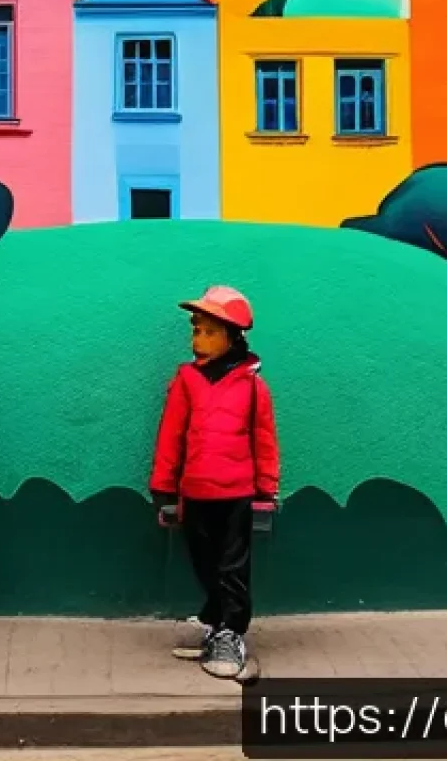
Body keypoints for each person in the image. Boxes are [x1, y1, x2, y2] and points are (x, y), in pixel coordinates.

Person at [149, 285, 280, 680]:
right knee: (204, 562)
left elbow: (264, 439)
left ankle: (231, 632)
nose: (198, 339)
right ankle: (215, 620)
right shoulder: (187, 380)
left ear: (232, 336)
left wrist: (267, 486)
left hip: (237, 494)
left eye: (209, 332)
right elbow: (171, 434)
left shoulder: (253, 387)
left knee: (232, 566)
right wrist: (163, 486)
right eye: (196, 330)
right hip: (195, 492)